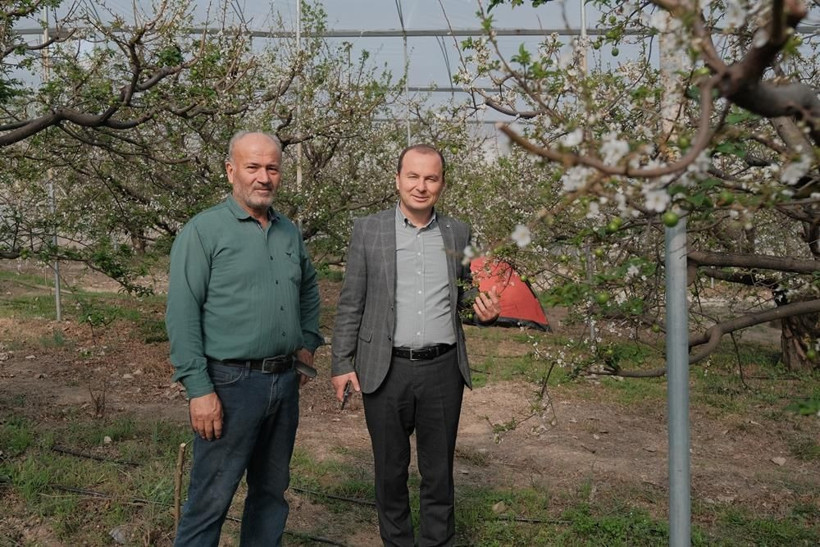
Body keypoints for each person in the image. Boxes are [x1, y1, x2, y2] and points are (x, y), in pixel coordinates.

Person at [330, 144, 500, 546]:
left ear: (441, 184)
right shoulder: (368, 230)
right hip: (385, 367)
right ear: (397, 180)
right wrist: (341, 363)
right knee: (390, 471)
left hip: (442, 369)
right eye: (413, 176)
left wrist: (483, 311)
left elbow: (463, 296)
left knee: (438, 472)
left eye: (430, 178)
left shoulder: (457, 232)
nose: (421, 186)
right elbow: (352, 301)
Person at [165, 131, 323, 546]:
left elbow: (309, 288)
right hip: (229, 385)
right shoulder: (204, 231)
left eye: (272, 168)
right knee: (210, 500)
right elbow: (182, 313)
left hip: (283, 383)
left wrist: (307, 341)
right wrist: (199, 389)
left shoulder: (289, 232)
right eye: (253, 167)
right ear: (230, 170)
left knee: (271, 494)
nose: (263, 177)